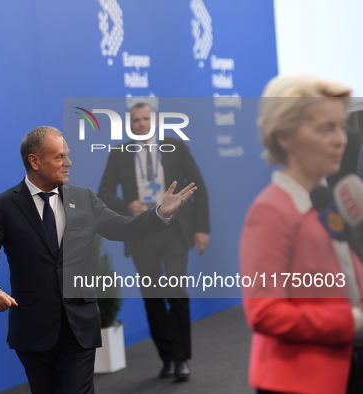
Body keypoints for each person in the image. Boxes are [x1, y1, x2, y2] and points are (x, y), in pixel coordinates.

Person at [0, 126, 197, 394]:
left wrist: (158, 214)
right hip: (33, 327)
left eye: (67, 155)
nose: (69, 163)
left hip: (80, 325)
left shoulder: (83, 197)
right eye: (60, 157)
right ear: (34, 161)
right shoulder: (4, 205)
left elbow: (123, 227)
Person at [240, 75, 363, 394]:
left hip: (347, 366)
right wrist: (351, 323)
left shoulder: (323, 199)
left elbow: (347, 275)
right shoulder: (270, 211)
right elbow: (264, 313)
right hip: (299, 380)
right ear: (285, 137)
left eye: (341, 127)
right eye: (326, 129)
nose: (341, 140)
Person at [97, 102, 210, 380]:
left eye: (145, 119)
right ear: (130, 125)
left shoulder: (176, 146)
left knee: (177, 292)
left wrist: (202, 229)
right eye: (135, 121)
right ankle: (168, 357)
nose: (141, 125)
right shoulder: (120, 153)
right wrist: (127, 205)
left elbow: (199, 187)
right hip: (141, 232)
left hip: (174, 232)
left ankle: (182, 359)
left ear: (155, 121)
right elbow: (104, 193)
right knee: (152, 297)